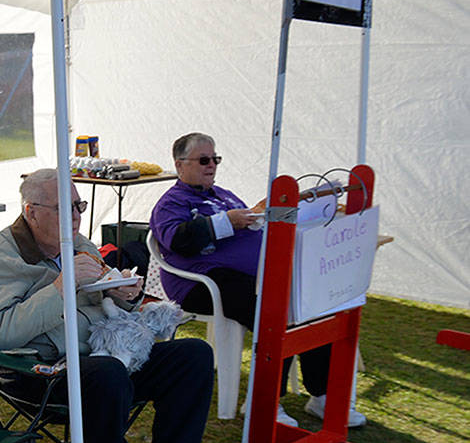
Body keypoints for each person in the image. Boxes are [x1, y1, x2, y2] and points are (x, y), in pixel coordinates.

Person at [0, 169, 217, 443]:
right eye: (64, 209)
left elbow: (103, 293)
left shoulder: (76, 242)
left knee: (193, 356)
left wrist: (125, 293)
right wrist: (60, 287)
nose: (76, 217)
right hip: (39, 371)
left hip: (105, 354)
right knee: (108, 375)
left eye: (79, 206)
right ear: (31, 212)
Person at [150, 132, 365, 427]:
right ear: (179, 164)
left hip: (248, 275)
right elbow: (177, 239)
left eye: (215, 159)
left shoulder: (224, 194)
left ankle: (321, 395)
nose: (211, 165)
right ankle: (263, 403)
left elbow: (253, 222)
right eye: (203, 160)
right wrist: (228, 222)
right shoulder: (172, 202)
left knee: (309, 300)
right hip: (202, 282)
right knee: (276, 310)